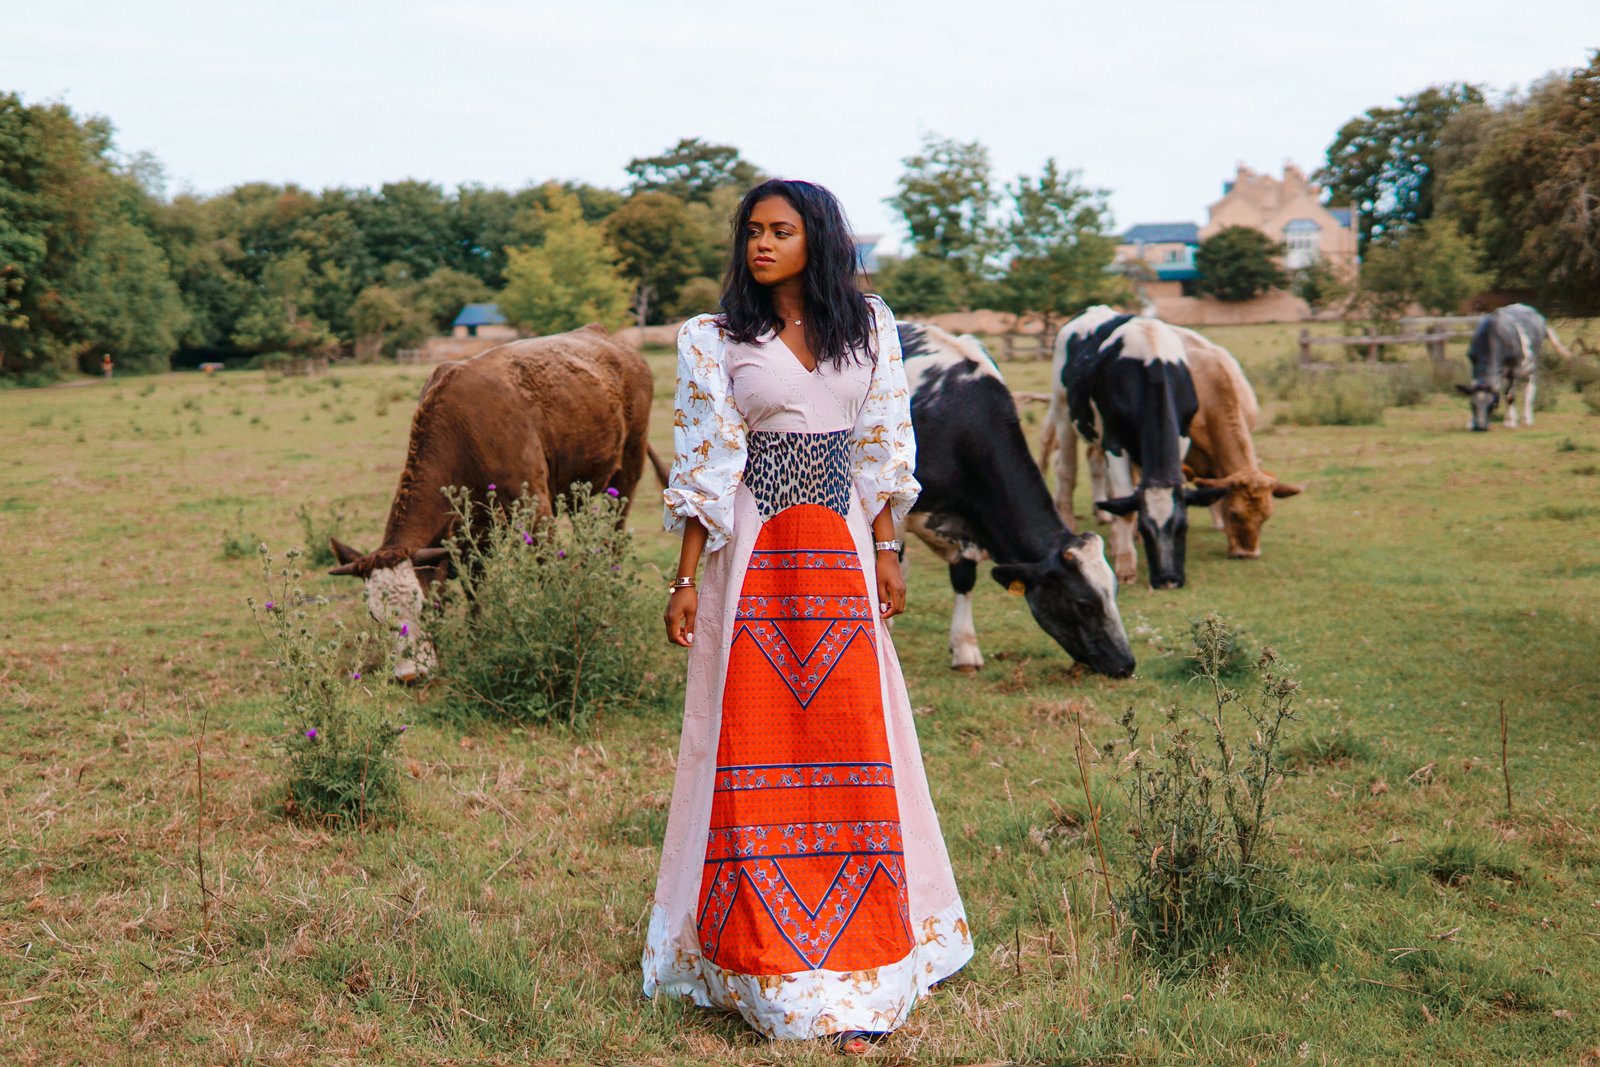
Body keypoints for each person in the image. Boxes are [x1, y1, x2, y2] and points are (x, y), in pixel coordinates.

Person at [642, 179, 972, 1053]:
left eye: (779, 230)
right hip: (751, 556)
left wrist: (890, 550)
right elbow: (707, 458)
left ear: (816, 238)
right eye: (751, 230)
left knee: (857, 734)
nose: (760, 244)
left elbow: (882, 442)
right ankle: (754, 956)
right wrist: (682, 579)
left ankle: (869, 952)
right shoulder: (713, 338)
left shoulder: (867, 326)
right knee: (751, 737)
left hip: (843, 555)